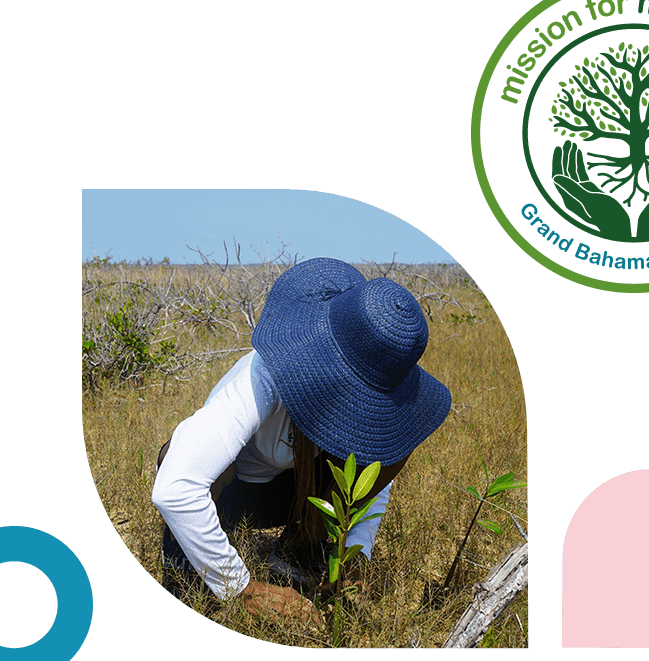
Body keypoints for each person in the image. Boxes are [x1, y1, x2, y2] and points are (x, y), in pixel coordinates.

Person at [152, 257, 452, 624]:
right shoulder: (260, 380)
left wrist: (355, 553)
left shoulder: (367, 409)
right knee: (191, 462)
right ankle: (185, 565)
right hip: (232, 495)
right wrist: (243, 590)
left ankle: (301, 550)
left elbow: (375, 471)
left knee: (391, 450)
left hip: (290, 495)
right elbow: (175, 488)